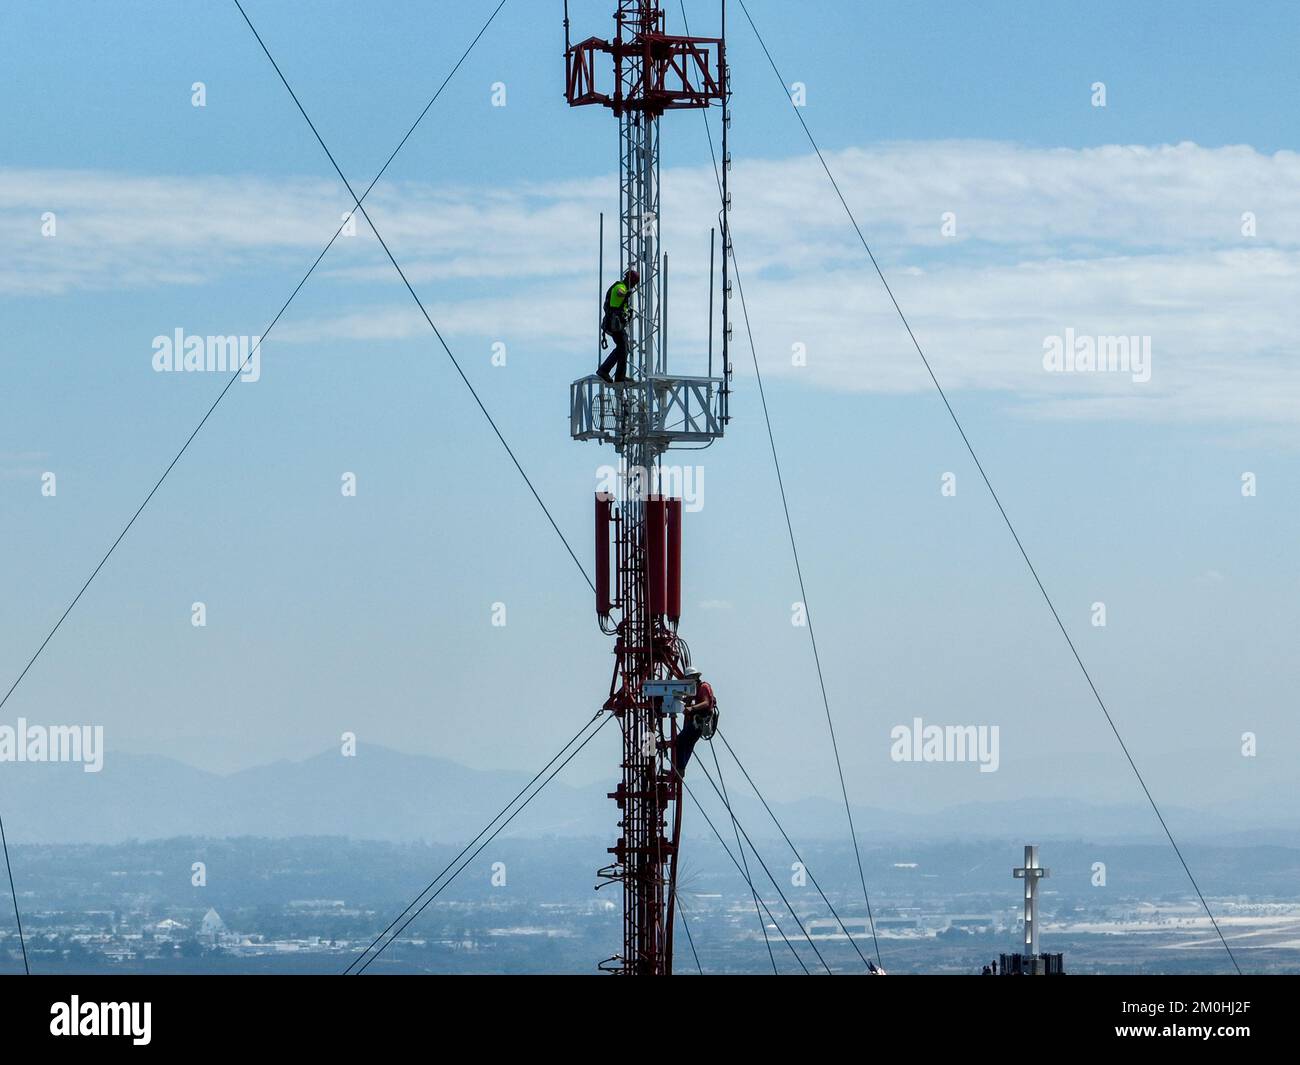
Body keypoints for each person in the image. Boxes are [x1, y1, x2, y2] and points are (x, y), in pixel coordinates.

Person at [673, 665, 718, 775]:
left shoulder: (703, 687)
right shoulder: (696, 688)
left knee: (680, 741)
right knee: (687, 744)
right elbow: (690, 698)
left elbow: (706, 703)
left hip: (699, 721)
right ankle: (680, 768)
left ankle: (680, 768)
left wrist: (692, 708)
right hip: (697, 722)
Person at [597, 268, 639, 383]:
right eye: (634, 283)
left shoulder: (623, 286)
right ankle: (615, 375)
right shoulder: (621, 287)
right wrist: (626, 294)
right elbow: (620, 292)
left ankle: (606, 371)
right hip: (614, 324)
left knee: (623, 348)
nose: (634, 286)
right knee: (623, 347)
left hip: (616, 324)